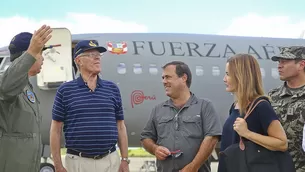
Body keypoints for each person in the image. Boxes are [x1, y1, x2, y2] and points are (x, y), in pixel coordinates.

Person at [50, 40, 129, 172]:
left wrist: (125, 160)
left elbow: (120, 126)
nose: (97, 58)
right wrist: (58, 165)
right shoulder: (65, 90)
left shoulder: (112, 89)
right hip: (78, 163)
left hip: (110, 161)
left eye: (98, 55)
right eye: (91, 55)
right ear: (79, 61)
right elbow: (55, 130)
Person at [140, 61, 222, 172]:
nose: (164, 81)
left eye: (168, 77)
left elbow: (212, 138)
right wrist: (155, 149)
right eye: (163, 78)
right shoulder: (158, 110)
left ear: (184, 78)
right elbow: (145, 138)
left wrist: (193, 167)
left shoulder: (204, 106)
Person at [218, 54, 288, 172]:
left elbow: (282, 143)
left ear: (241, 76)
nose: (224, 79)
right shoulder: (235, 106)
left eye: (228, 74)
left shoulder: (261, 106)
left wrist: (247, 133)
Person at [0, 25, 52, 172]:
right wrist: (31, 52)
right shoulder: (7, 82)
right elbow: (5, 88)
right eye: (41, 53)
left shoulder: (26, 86)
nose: (43, 59)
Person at [268, 46, 305, 172]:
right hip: (275, 167)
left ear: (301, 64)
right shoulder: (272, 96)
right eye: (279, 62)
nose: (279, 66)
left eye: (284, 61)